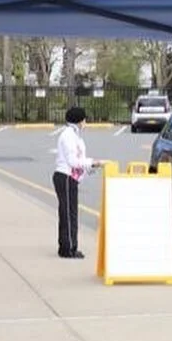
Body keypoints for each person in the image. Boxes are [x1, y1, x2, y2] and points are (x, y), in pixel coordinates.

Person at [53, 106, 101, 259]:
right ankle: (69, 249)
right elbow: (73, 161)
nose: (85, 122)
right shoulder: (68, 135)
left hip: (71, 178)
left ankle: (67, 246)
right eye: (84, 119)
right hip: (65, 176)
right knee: (68, 214)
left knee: (69, 213)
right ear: (79, 120)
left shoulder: (75, 135)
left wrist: (91, 166)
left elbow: (79, 160)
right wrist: (93, 163)